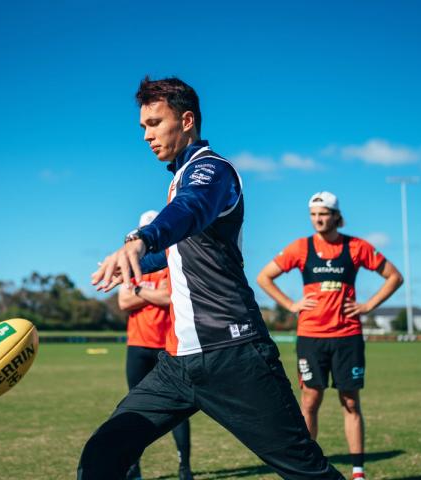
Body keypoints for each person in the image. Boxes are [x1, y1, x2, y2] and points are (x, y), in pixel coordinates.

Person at [78, 76, 343, 480]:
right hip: (179, 365)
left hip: (234, 354)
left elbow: (191, 209)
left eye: (154, 123)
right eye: (142, 127)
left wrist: (140, 237)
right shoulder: (178, 178)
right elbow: (177, 251)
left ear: (186, 121)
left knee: (307, 471)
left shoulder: (211, 171)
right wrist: (134, 262)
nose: (147, 135)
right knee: (103, 453)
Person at [256, 191, 404, 480]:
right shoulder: (301, 248)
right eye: (313, 215)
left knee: (350, 402)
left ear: (336, 216)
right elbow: (264, 277)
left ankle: (358, 472)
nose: (318, 219)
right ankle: (306, 470)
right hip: (311, 337)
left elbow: (394, 277)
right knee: (310, 401)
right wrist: (290, 304)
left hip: (347, 336)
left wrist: (368, 305)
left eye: (323, 214)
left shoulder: (357, 247)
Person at [117, 210, 193, 480]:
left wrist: (137, 290)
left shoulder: (172, 260)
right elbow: (124, 302)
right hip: (137, 345)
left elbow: (169, 298)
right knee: (134, 408)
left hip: (168, 346)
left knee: (179, 409)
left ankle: (185, 467)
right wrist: (149, 293)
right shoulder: (134, 262)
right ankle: (133, 468)